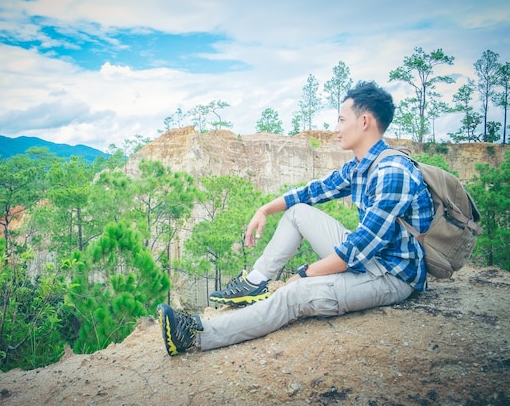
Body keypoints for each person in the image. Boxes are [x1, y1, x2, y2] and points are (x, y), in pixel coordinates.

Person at [157, 81, 434, 356]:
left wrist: (304, 274)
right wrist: (264, 209)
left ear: (364, 121)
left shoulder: (392, 172)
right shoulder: (361, 166)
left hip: (391, 275)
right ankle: (254, 282)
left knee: (295, 294)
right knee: (298, 213)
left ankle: (197, 334)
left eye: (341, 120)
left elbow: (357, 250)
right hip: (370, 257)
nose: (335, 129)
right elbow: (313, 191)